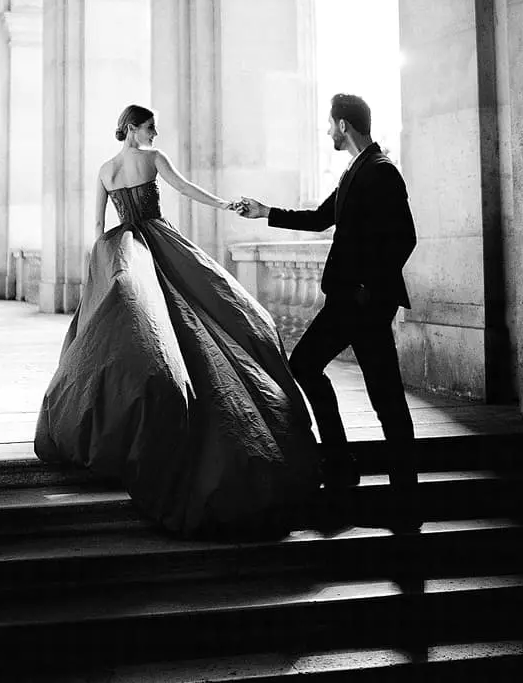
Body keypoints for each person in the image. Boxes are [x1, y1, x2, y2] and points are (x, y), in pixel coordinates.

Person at [34, 104, 320, 538]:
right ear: (133, 128)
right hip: (159, 241)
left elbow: (97, 225)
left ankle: (115, 416)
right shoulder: (153, 159)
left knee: (131, 331)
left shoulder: (106, 170)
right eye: (149, 126)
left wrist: (105, 268)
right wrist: (226, 203)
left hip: (123, 248)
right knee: (199, 309)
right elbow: (185, 189)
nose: (155, 132)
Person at [237, 93, 419, 531]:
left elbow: (405, 238)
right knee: (310, 367)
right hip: (347, 302)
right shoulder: (356, 170)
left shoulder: (382, 172)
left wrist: (367, 290)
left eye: (329, 125)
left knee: (386, 399)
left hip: (362, 304)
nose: (326, 132)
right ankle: (341, 460)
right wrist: (267, 213)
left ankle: (398, 491)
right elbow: (321, 219)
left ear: (343, 126)